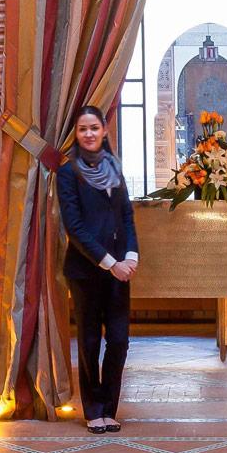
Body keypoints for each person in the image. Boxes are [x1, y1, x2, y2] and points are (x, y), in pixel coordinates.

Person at [56, 105, 138, 434]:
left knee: (119, 340)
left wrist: (130, 256)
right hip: (85, 271)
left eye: (94, 127)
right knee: (89, 341)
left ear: (104, 130)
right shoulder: (68, 172)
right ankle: (93, 410)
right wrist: (110, 263)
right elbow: (74, 227)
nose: (89, 134)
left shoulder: (114, 167)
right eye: (83, 129)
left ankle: (109, 407)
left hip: (120, 269)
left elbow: (127, 215)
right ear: (76, 134)